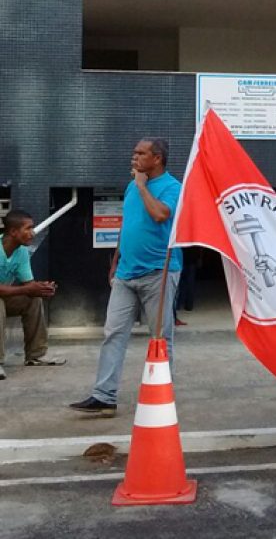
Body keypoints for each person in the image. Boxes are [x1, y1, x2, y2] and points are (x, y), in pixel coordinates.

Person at [70, 138, 182, 417]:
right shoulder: (132, 186)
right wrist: (116, 260)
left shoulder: (173, 187)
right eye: (134, 152)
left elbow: (160, 215)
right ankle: (104, 395)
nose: (133, 157)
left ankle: (162, 395)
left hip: (160, 271)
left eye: (140, 153)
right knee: (113, 332)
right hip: (125, 272)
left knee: (160, 336)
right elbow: (128, 225)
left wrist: (143, 186)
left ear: (156, 158)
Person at [0, 209, 64, 380]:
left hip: (5, 296)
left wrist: (41, 288)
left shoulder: (21, 252)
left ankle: (36, 355)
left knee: (33, 299)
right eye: (28, 228)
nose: (32, 232)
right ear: (13, 232)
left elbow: (28, 286)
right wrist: (27, 289)